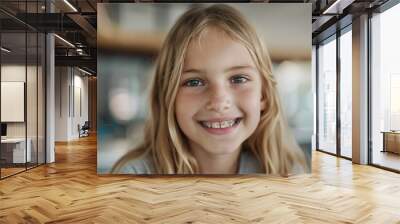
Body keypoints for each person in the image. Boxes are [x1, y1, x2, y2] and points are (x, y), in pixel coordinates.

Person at [111, 4, 309, 175]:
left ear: (263, 95)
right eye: (194, 82)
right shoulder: (133, 177)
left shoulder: (287, 171)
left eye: (238, 78)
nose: (219, 101)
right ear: (167, 96)